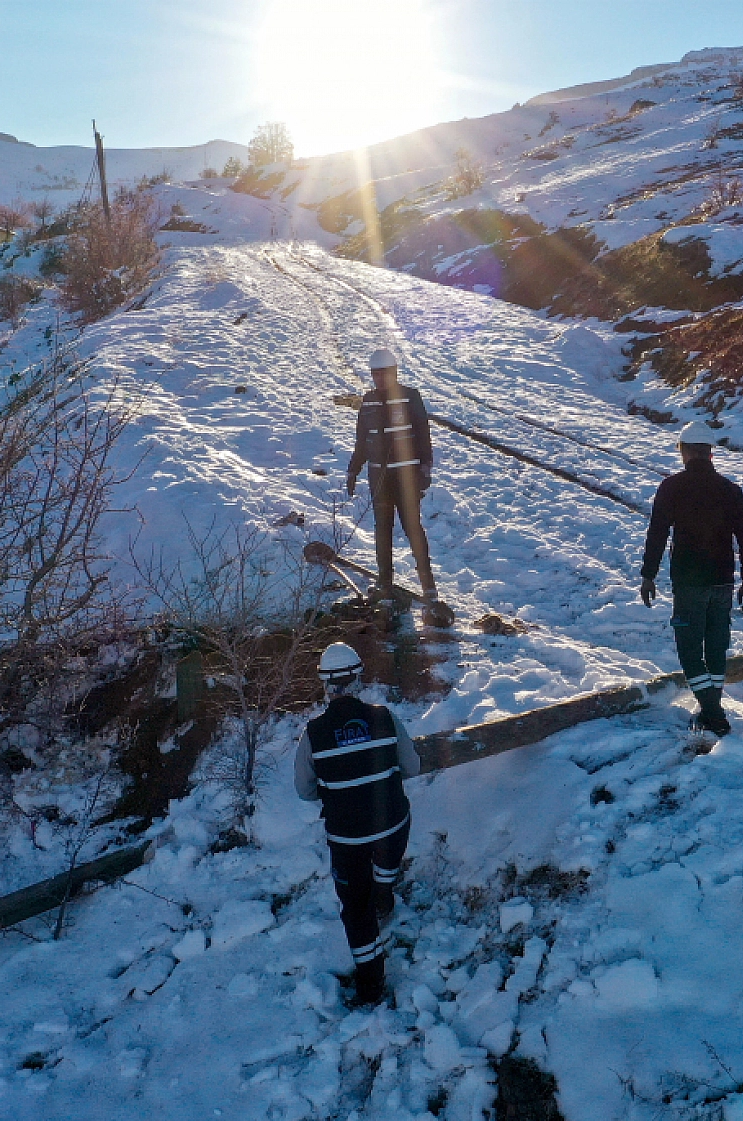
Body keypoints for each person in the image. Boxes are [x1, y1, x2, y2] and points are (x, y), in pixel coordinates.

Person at [294, 642, 420, 1006]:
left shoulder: (313, 734)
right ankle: (384, 892)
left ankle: (370, 983)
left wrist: (338, 786)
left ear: (325, 683)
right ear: (358, 678)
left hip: (347, 838)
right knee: (387, 850)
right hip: (394, 828)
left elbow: (305, 791)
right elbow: (412, 766)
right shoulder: (385, 717)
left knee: (354, 907)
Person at [639, 422, 743, 736]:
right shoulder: (731, 490)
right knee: (717, 647)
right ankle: (711, 706)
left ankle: (713, 713)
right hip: (723, 581)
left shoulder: (672, 487)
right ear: (710, 452)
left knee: (689, 649)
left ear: (685, 450)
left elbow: (657, 534)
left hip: (689, 582)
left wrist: (648, 575)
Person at [347, 348, 438, 606]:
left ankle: (428, 585)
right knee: (382, 530)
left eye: (384, 373)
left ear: (394, 372)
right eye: (375, 374)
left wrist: (425, 468)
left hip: (407, 476)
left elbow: (423, 436)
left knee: (412, 528)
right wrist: (353, 469)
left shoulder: (410, 398)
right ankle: (384, 581)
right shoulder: (368, 402)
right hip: (379, 478)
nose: (379, 379)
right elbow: (362, 441)